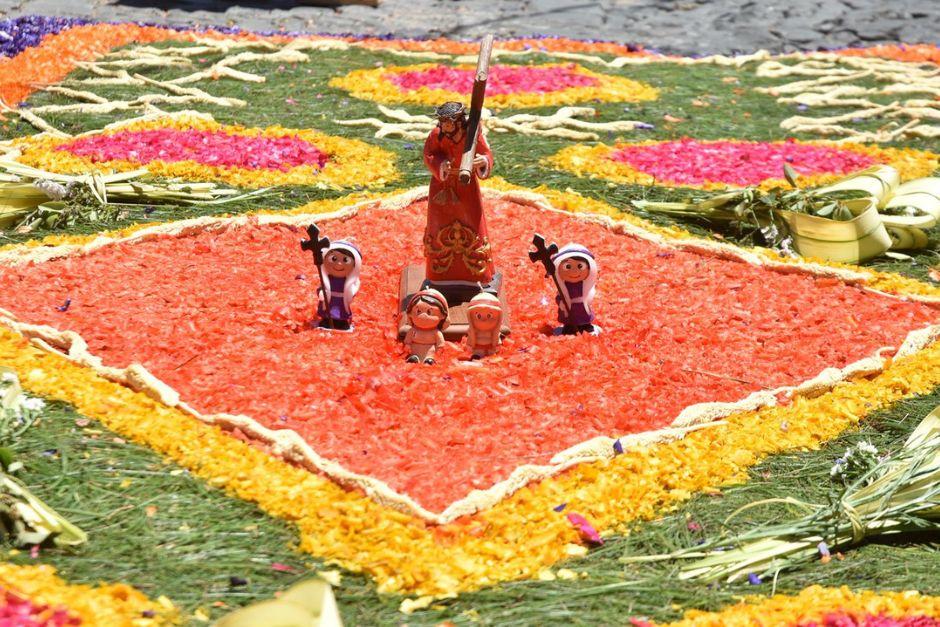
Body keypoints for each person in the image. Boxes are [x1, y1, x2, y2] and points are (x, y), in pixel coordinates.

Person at [422, 101, 495, 287]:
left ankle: (476, 273)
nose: (446, 125)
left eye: (450, 121)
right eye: (443, 121)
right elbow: (429, 154)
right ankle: (440, 274)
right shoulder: (436, 135)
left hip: (467, 185)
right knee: (439, 225)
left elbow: (486, 153)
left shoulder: (472, 134)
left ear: (460, 120)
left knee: (472, 223)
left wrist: (482, 161)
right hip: (442, 186)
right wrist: (440, 164)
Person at [552, 244, 598, 335]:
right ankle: (569, 329)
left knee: (584, 320)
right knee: (569, 321)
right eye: (568, 267)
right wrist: (562, 302)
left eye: (580, 266)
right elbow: (559, 297)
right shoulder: (563, 286)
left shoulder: (586, 285)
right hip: (569, 308)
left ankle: (586, 327)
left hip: (582, 307)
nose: (574, 272)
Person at [316, 240, 361, 331]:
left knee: (341, 314)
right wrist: (321, 292)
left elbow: (351, 293)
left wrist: (350, 292)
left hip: (341, 302)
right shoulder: (327, 279)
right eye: (334, 259)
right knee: (327, 315)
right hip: (329, 301)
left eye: (345, 260)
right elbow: (320, 288)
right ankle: (326, 321)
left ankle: (341, 322)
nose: (339, 264)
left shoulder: (347, 282)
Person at [403, 288, 449, 364]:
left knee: (429, 360)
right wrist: (407, 345)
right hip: (415, 350)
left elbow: (440, 343)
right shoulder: (413, 330)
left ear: (442, 316)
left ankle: (429, 360)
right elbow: (408, 340)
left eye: (429, 312)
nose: (423, 316)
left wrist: (439, 349)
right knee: (414, 358)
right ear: (410, 314)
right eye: (418, 311)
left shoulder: (436, 332)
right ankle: (414, 359)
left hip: (430, 351)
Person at [466, 292, 502, 359]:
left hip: (491, 349)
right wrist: (470, 346)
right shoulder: (472, 332)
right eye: (478, 316)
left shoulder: (495, 332)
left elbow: (498, 341)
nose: (484, 320)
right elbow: (469, 341)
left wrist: (497, 346)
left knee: (492, 357)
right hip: (478, 348)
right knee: (477, 356)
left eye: (489, 316)